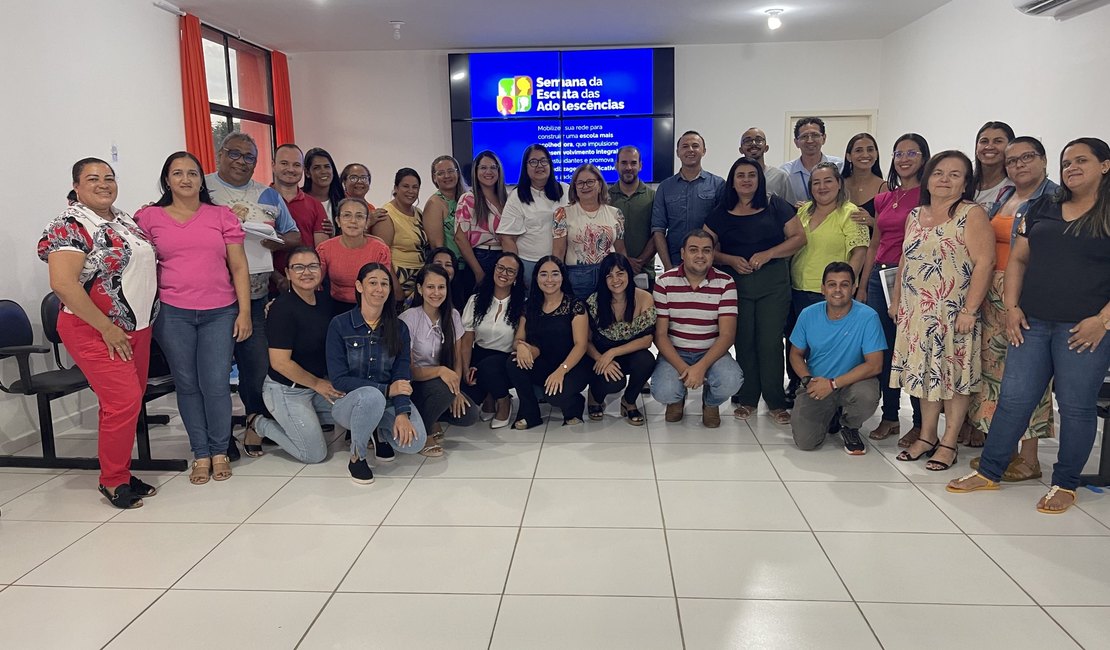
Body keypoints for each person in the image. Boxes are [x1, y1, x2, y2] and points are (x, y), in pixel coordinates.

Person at [947, 137, 1110, 513]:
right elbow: (1018, 260)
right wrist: (1012, 306)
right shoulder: (1044, 208)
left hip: (1083, 331)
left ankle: (1065, 484)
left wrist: (1102, 321)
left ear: (1104, 165)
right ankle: (990, 471)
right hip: (1031, 322)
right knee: (1013, 400)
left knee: (1076, 408)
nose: (1072, 168)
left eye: (1082, 161)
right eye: (1067, 162)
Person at [39, 158, 160, 508]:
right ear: (76, 185)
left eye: (109, 177)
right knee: (122, 401)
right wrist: (107, 327)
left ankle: (118, 470)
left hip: (136, 327)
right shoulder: (69, 224)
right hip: (95, 328)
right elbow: (63, 284)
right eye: (93, 178)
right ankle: (112, 481)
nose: (103, 184)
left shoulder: (122, 220)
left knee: (126, 402)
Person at [136, 151, 251, 485]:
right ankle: (200, 452)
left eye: (192, 173)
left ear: (202, 180)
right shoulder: (148, 218)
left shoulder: (221, 216)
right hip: (173, 313)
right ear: (167, 180)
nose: (185, 179)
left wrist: (244, 311)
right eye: (177, 173)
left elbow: (239, 266)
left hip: (220, 311)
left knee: (215, 383)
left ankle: (219, 450)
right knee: (187, 384)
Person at [891, 150, 995, 472]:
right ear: (928, 178)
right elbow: (905, 261)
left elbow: (985, 263)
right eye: (938, 173)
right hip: (916, 314)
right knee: (925, 377)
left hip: (953, 314)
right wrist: (896, 301)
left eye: (954, 174)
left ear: (965, 183)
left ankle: (948, 442)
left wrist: (970, 309)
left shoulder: (971, 213)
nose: (944, 180)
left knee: (953, 379)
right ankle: (926, 436)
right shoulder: (915, 215)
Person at [965, 137, 1059, 475]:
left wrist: (1016, 299)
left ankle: (1030, 457)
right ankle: (1001, 450)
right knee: (996, 376)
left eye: (1027, 158)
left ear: (1044, 160)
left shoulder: (1053, 199)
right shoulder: (1006, 195)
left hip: (1027, 295)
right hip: (994, 291)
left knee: (1028, 376)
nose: (1018, 165)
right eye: (1012, 160)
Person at [206, 132, 302, 460]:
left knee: (256, 366)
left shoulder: (269, 195)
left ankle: (254, 423)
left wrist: (278, 243)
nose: (241, 161)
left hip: (257, 295)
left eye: (249, 157)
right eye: (235, 154)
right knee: (215, 369)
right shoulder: (203, 189)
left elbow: (293, 235)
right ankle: (218, 438)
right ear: (221, 153)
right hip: (211, 296)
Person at [703, 157, 805, 424]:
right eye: (740, 175)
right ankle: (747, 398)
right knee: (744, 340)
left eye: (752, 175)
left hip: (773, 282)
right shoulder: (721, 211)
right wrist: (729, 259)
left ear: (759, 179)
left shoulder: (776, 205)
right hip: (736, 284)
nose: (746, 180)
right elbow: (703, 249)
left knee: (770, 342)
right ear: (732, 181)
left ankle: (775, 400)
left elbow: (799, 238)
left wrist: (770, 253)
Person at [855, 133, 930, 447]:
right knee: (883, 350)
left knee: (912, 351)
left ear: (924, 157)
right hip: (879, 278)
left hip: (914, 280)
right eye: (899, 153)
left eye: (912, 152)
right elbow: (875, 244)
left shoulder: (930, 197)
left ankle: (920, 421)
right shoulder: (886, 197)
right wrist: (862, 285)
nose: (904, 158)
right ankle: (889, 415)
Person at [327, 263, 428, 485]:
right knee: (371, 395)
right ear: (359, 286)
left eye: (384, 284)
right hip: (349, 404)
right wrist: (385, 390)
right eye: (372, 283)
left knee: (415, 442)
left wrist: (402, 413)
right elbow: (339, 379)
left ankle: (378, 432)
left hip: (388, 401)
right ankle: (357, 457)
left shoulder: (399, 328)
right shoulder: (340, 325)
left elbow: (401, 376)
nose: (379, 289)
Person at [251, 247, 339, 463]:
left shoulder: (325, 301)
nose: (306, 272)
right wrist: (317, 383)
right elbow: (280, 363)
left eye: (312, 266)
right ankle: (259, 424)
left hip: (314, 387)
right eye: (298, 267)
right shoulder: (282, 310)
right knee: (314, 455)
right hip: (286, 390)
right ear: (288, 273)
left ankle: (304, 419)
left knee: (351, 413)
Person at [651, 229, 744, 428]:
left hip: (711, 353)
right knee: (663, 390)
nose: (700, 256)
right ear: (683, 253)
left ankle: (710, 403)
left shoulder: (726, 283)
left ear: (712, 254)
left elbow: (727, 335)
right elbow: (660, 335)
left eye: (706, 250)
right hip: (675, 352)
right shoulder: (664, 282)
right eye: (693, 250)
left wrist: (701, 367)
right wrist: (685, 369)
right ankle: (676, 398)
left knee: (732, 381)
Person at [788, 263, 884, 453]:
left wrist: (832, 384)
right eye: (832, 284)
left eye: (844, 284)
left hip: (853, 383)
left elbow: (875, 365)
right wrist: (808, 380)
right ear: (823, 289)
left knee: (867, 396)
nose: (838, 290)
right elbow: (795, 354)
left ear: (854, 288)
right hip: (817, 383)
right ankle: (831, 415)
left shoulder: (868, 317)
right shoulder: (808, 314)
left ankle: (849, 425)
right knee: (806, 443)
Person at [399, 264, 479, 455]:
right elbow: (408, 370)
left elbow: (457, 359)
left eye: (441, 287)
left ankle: (431, 417)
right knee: (443, 390)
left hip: (443, 383)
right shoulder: (409, 318)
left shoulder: (452, 315)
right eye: (430, 287)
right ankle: (422, 434)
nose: (436, 292)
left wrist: (456, 390)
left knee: (470, 415)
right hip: (416, 383)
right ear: (420, 289)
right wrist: (441, 372)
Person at [506, 256, 591, 429]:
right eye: (544, 274)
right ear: (536, 278)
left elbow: (581, 345)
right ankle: (530, 413)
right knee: (513, 362)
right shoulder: (529, 306)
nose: (549, 280)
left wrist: (561, 371)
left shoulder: (575, 305)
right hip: (544, 363)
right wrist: (521, 346)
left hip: (572, 365)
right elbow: (518, 340)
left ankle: (575, 405)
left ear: (562, 277)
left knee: (554, 396)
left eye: (555, 274)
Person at [585, 253, 656, 425]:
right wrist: (602, 358)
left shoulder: (644, 298)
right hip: (600, 356)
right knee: (614, 383)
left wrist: (614, 352)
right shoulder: (593, 302)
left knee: (647, 360)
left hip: (628, 353)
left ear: (629, 274)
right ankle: (595, 397)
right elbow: (585, 342)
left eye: (620, 273)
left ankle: (629, 401)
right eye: (609, 275)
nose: (615, 280)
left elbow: (647, 340)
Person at [791, 163, 870, 313]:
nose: (822, 187)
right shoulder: (803, 211)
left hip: (832, 293)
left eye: (828, 181)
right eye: (816, 183)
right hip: (798, 289)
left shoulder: (850, 212)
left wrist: (843, 287)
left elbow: (859, 253)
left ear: (839, 183)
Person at [460, 252, 526, 429]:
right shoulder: (476, 300)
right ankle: (489, 396)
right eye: (501, 268)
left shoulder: (523, 304)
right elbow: (467, 339)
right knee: (468, 393)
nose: (504, 274)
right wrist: (465, 369)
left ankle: (503, 401)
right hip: (479, 354)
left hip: (506, 358)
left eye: (511, 271)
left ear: (516, 278)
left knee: (488, 368)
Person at [650, 131, 725, 271]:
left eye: (695, 146)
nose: (690, 150)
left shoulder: (719, 185)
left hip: (709, 265)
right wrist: (667, 267)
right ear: (678, 152)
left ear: (704, 151)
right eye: (685, 146)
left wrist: (716, 263)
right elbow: (658, 230)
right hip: (675, 263)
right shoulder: (665, 187)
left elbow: (723, 229)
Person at [553, 163, 627, 298]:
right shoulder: (562, 214)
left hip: (609, 276)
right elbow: (558, 252)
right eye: (580, 183)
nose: (585, 186)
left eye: (590, 182)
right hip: (576, 278)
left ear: (599, 185)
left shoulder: (616, 214)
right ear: (574, 187)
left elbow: (621, 251)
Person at [498, 144, 567, 280]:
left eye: (543, 160)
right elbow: (507, 238)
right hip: (529, 265)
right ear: (525, 167)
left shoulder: (566, 190)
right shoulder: (517, 195)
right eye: (533, 162)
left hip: (561, 262)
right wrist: (515, 269)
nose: (539, 165)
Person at [316, 197, 393, 315]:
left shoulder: (380, 250)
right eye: (347, 215)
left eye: (359, 216)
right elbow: (314, 283)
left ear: (367, 222)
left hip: (370, 306)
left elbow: (382, 287)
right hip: (333, 306)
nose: (353, 221)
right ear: (338, 221)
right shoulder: (324, 248)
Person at [371, 168, 429, 300]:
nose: (411, 191)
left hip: (420, 283)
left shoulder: (419, 213)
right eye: (405, 186)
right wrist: (395, 287)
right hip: (398, 283)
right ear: (396, 188)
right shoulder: (385, 215)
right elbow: (381, 257)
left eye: (415, 187)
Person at [272, 144, 328, 274]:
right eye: (284, 163)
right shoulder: (259, 200)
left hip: (306, 283)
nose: (291, 169)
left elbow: (321, 253)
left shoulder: (315, 205)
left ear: (303, 169)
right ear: (273, 165)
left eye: (297, 165)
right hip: (266, 286)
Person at [423, 155, 473, 297]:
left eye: (450, 171)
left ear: (458, 172)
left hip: (472, 265)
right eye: (440, 173)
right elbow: (437, 247)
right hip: (452, 272)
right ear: (434, 178)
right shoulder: (435, 203)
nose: (447, 176)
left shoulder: (467, 198)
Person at [455, 150, 509, 283]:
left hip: (504, 257)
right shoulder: (468, 198)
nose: (488, 172)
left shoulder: (507, 199)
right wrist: (478, 271)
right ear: (475, 171)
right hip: (481, 257)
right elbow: (460, 238)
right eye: (483, 168)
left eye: (493, 168)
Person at [608, 145, 658, 286]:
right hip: (612, 272)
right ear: (616, 165)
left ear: (640, 166)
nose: (628, 167)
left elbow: (657, 234)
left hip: (644, 272)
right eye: (624, 163)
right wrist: (623, 260)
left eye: (633, 163)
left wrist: (639, 262)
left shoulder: (653, 197)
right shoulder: (606, 198)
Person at [781, 117, 844, 205]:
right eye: (804, 136)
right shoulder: (785, 172)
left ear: (824, 138)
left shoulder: (840, 166)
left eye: (815, 135)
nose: (810, 140)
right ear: (796, 142)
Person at [841, 132, 889, 228]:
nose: (865, 154)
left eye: (870, 150)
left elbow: (891, 226)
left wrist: (872, 221)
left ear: (876, 154)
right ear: (848, 156)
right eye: (859, 150)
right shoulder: (839, 185)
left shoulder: (885, 188)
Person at [739, 127, 794, 203]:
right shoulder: (736, 178)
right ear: (741, 150)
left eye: (758, 140)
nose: (753, 144)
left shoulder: (780, 177)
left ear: (766, 148)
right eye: (748, 141)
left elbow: (790, 209)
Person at [972, 121, 1016, 216]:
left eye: (998, 141)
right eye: (984, 141)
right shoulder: (963, 185)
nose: (989, 146)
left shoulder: (1015, 188)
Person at [302, 147, 344, 232]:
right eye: (317, 168)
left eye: (327, 167)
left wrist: (334, 233)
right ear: (307, 173)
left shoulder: (343, 200)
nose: (323, 171)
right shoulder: (298, 199)